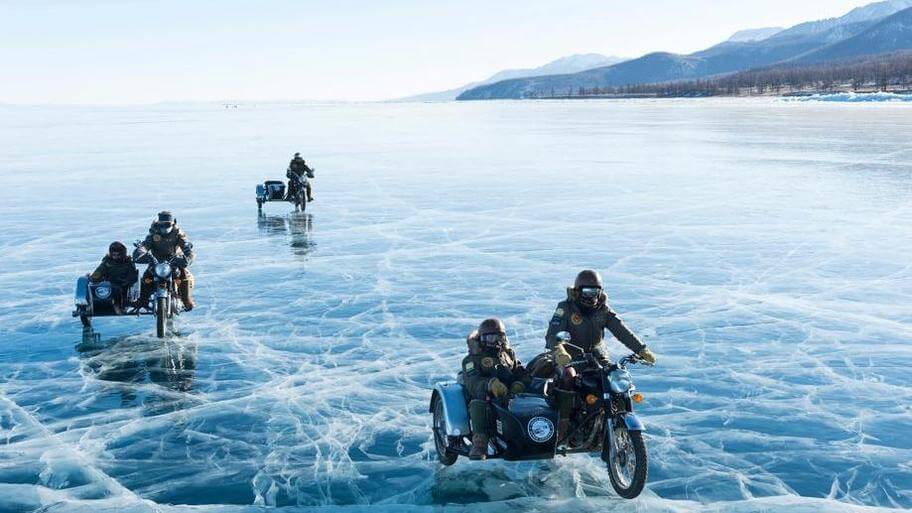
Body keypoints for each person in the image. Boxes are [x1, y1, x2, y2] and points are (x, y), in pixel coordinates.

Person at [544, 270, 656, 367]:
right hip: (570, 358)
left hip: (598, 357)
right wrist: (560, 352)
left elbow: (621, 331)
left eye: (595, 292)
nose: (591, 296)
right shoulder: (566, 309)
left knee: (614, 376)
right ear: (577, 291)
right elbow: (553, 334)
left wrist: (641, 349)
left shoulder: (603, 310)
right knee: (569, 377)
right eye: (587, 292)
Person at [461, 318, 530, 460]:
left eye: (500, 336)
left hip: (509, 395)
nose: (496, 341)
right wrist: (490, 384)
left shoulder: (508, 354)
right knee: (478, 403)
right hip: (485, 398)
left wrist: (519, 384)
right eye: (491, 337)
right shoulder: (472, 359)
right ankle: (479, 443)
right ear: (482, 339)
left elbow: (521, 372)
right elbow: (473, 382)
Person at [133, 211, 195, 311]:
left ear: (173, 224)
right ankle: (143, 300)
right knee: (146, 278)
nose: (164, 227)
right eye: (162, 225)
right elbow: (145, 245)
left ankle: (186, 300)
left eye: (167, 224)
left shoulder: (178, 233)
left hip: (174, 260)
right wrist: (140, 252)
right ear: (158, 224)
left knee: (183, 276)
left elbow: (185, 245)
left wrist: (188, 256)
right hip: (156, 261)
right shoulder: (154, 233)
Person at [89, 241, 138, 313]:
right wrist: (93, 278)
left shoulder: (128, 262)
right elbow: (100, 270)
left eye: (118, 255)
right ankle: (95, 303)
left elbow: (132, 275)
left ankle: (120, 306)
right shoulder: (107, 262)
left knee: (120, 290)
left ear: (123, 254)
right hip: (110, 283)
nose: (116, 257)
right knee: (99, 288)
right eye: (114, 254)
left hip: (123, 284)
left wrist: (126, 281)